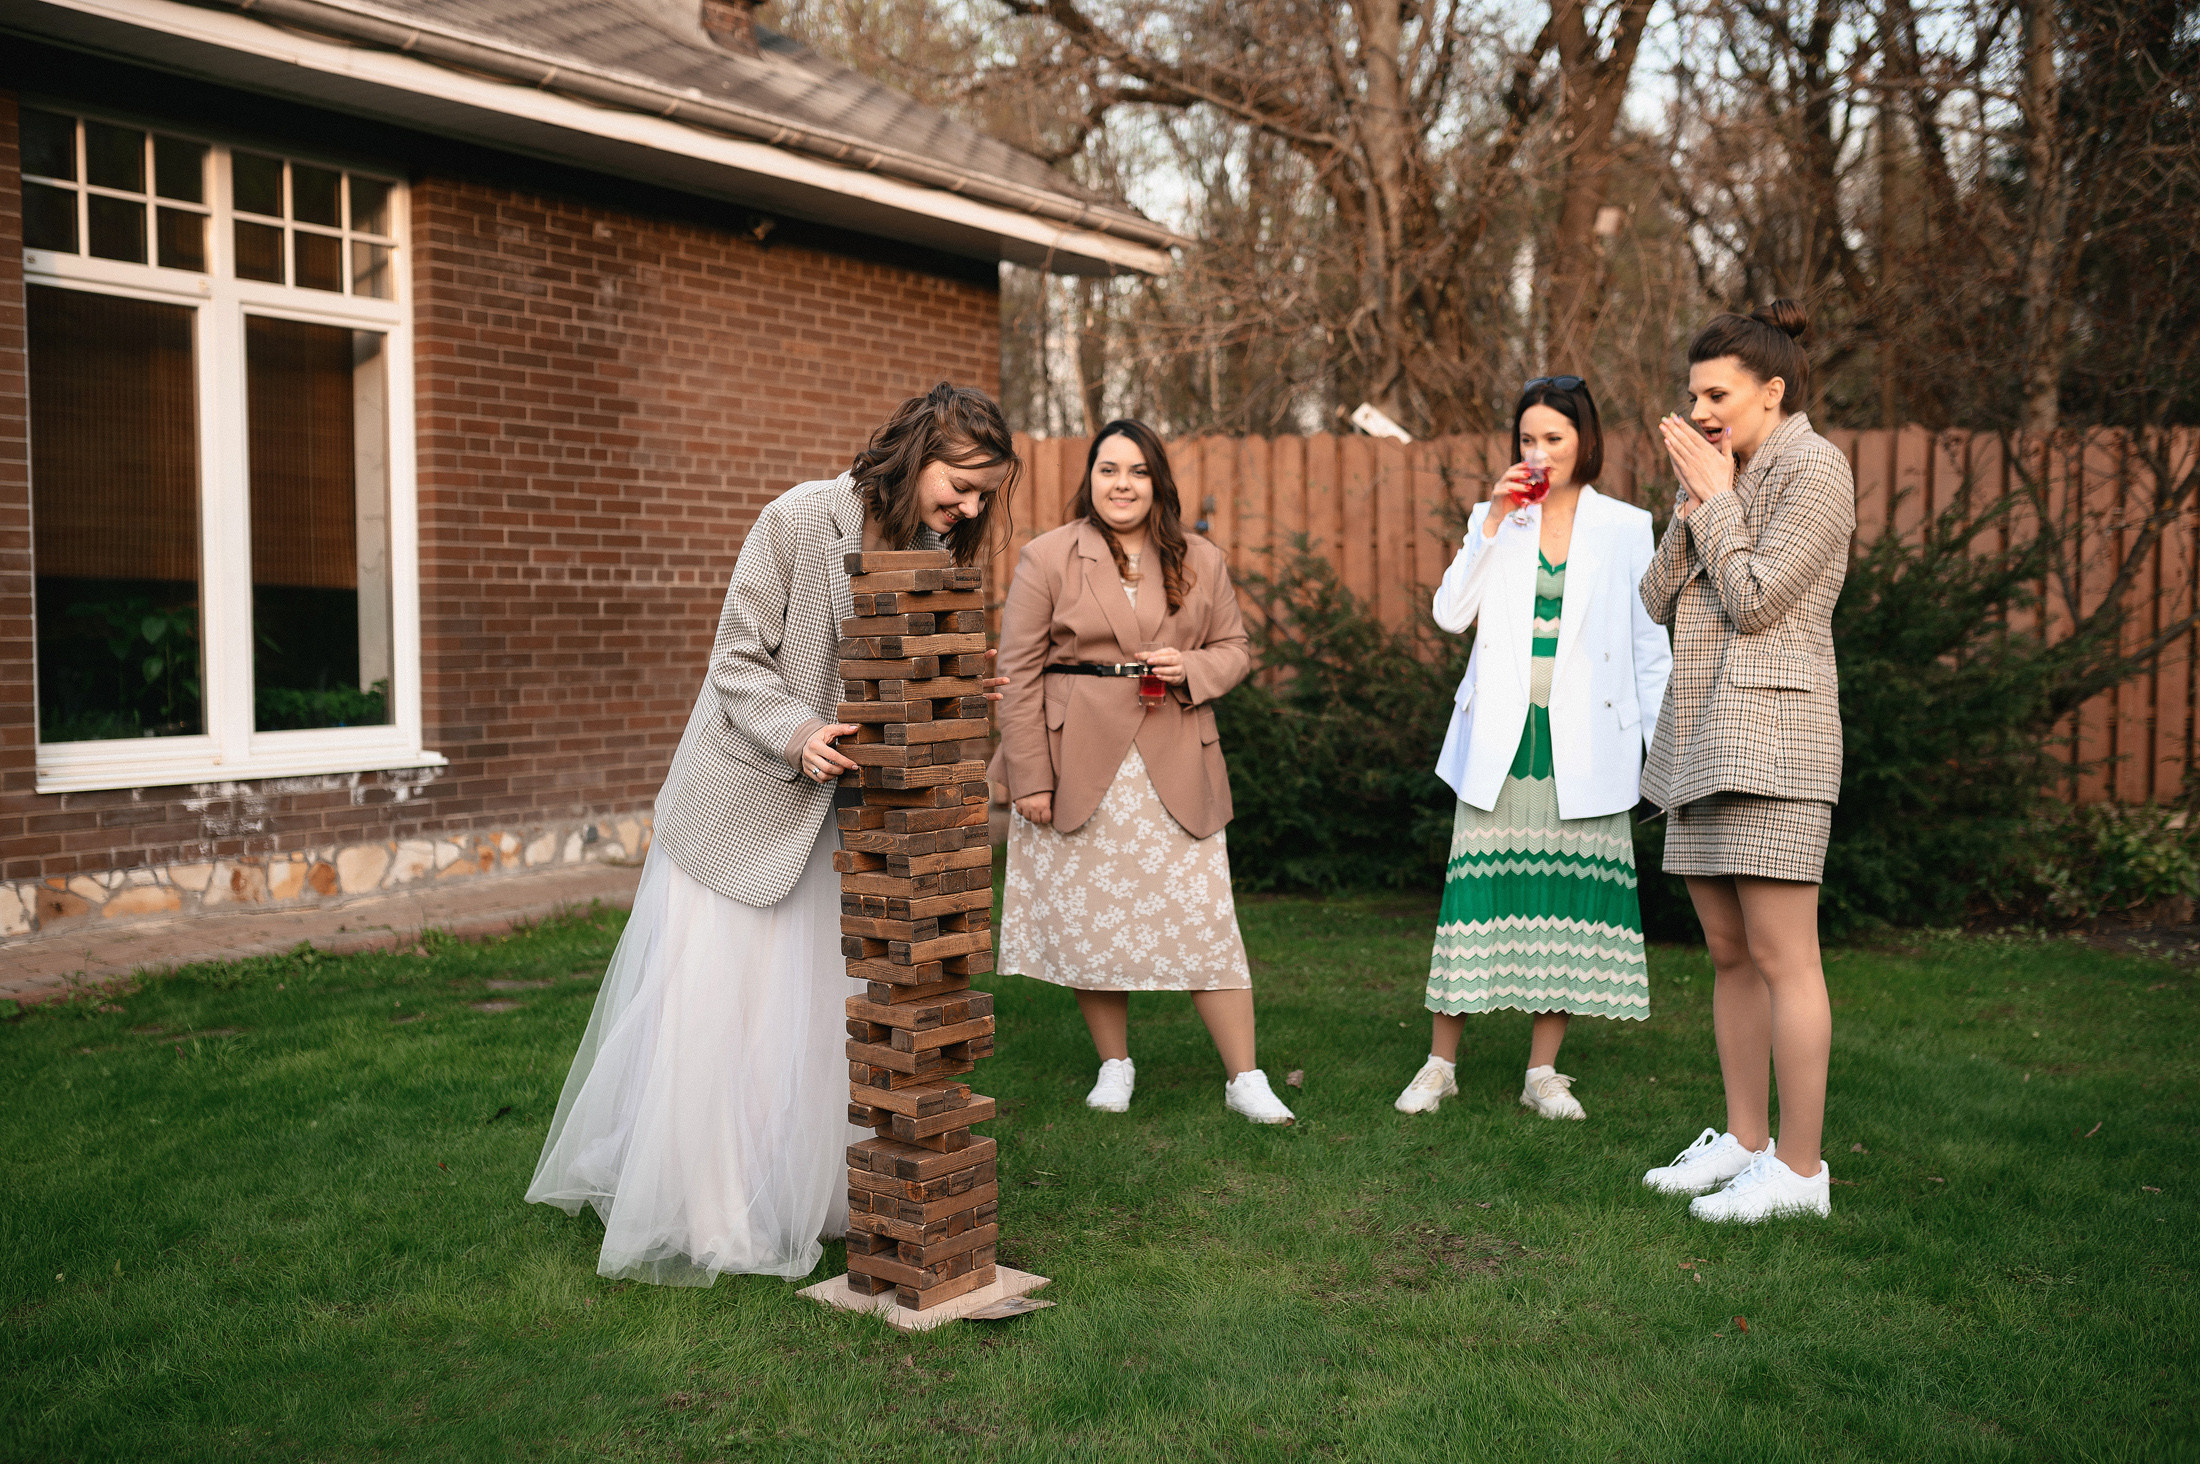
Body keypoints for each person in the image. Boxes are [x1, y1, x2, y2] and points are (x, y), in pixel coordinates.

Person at [525, 384, 1019, 1283]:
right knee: (726, 1022)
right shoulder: (797, 518)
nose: (972, 508)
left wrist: (945, 691)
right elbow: (736, 660)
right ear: (917, 456)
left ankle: (817, 1194)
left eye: (986, 494)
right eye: (963, 484)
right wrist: (799, 734)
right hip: (742, 806)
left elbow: (887, 675)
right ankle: (717, 1216)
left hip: (835, 828)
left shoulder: (928, 548)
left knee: (809, 1025)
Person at [993, 419, 1294, 1124]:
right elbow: (1016, 673)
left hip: (1175, 759)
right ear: (1089, 478)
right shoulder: (1048, 557)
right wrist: (1030, 776)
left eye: (1136, 471)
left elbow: (1235, 648)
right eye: (1107, 470)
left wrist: (1190, 667)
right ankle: (1114, 1065)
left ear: (1157, 482)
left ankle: (1245, 1078)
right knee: (1093, 923)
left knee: (1207, 922)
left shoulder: (1199, 558)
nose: (1121, 484)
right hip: (1077, 761)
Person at [1395, 377, 1672, 1121]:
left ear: (1585, 439)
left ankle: (1543, 1073)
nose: (1539, 452)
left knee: (1570, 910)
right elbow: (1451, 614)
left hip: (1589, 747)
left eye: (1553, 438)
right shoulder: (1498, 519)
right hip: (1500, 744)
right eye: (1527, 439)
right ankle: (1439, 1066)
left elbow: (1649, 645)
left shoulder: (1626, 526)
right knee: (1474, 903)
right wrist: (1489, 523)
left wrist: (1658, 756)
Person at [1636, 300, 1855, 1222]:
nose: (1700, 410)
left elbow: (1759, 600)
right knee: (1729, 954)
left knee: (1782, 956)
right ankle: (1744, 1141)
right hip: (1697, 741)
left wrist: (1716, 500)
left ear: (1773, 390)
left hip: (1776, 745)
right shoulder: (1719, 474)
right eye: (1693, 395)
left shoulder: (1817, 469)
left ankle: (1801, 1175)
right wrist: (1695, 502)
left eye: (1716, 393)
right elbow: (1655, 599)